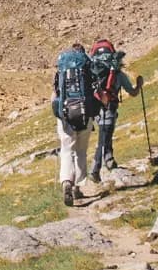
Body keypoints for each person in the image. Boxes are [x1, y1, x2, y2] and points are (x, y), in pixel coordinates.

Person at [89, 39, 143, 181]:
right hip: (110, 107)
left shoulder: (94, 72)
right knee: (104, 137)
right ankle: (96, 168)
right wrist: (139, 85)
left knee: (104, 135)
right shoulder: (118, 74)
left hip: (96, 108)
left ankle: (109, 159)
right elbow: (133, 92)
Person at [51, 42, 94, 206]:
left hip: (65, 114)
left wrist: (58, 112)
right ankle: (77, 187)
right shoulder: (87, 66)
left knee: (66, 150)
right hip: (85, 113)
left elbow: (55, 93)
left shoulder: (62, 68)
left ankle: (66, 182)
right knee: (81, 151)